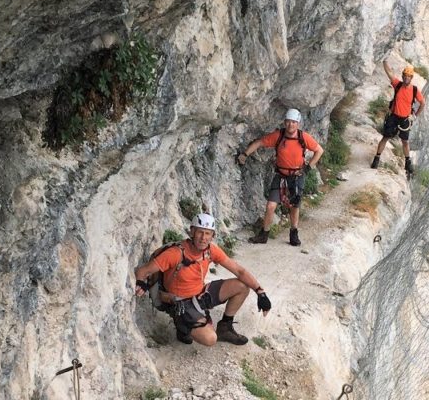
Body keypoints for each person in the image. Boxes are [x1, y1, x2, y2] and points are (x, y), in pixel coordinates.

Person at [134, 213, 272, 346]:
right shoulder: (175, 254)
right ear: (192, 232)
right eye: (200, 232)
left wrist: (260, 292)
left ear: (212, 236)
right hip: (181, 303)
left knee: (242, 286)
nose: (203, 238)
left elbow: (239, 271)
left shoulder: (210, 250)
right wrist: (141, 282)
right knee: (210, 339)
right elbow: (143, 271)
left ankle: (225, 328)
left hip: (201, 294)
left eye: (208, 233)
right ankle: (182, 325)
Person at [237, 108, 323, 246]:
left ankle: (294, 234)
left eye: (293, 122)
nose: (291, 125)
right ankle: (264, 234)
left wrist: (308, 168)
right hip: (281, 175)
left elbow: (319, 150)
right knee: (271, 205)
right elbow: (259, 142)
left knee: (294, 206)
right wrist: (245, 154)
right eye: (288, 122)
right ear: (284, 122)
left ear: (298, 124)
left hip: (296, 176)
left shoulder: (303, 137)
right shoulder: (278, 136)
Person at [370, 60, 425, 176]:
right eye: (405, 76)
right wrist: (384, 60)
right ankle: (377, 158)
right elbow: (389, 72)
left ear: (411, 78)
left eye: (408, 77)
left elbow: (422, 103)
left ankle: (407, 162)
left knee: (405, 141)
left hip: (405, 119)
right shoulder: (397, 85)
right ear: (403, 76)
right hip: (394, 116)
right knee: (385, 137)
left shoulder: (415, 90)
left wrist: (414, 116)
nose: (406, 78)